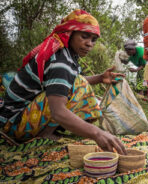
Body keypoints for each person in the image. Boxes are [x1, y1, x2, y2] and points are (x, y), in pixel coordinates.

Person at [0, 9, 126, 155]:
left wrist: (99, 78)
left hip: (18, 118)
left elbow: (68, 82)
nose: (89, 44)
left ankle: (46, 131)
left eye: (93, 40)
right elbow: (58, 111)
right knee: (79, 87)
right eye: (84, 37)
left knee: (78, 84)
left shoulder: (67, 55)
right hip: (14, 124)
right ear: (69, 33)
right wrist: (97, 133)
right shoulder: (60, 60)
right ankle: (44, 134)